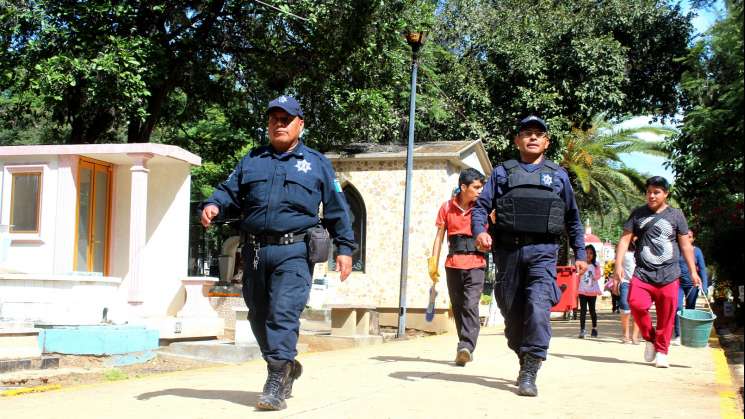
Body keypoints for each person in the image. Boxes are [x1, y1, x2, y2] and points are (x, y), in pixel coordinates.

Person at [200, 95, 356, 411]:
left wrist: (346, 248)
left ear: (301, 124)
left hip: (295, 251)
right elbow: (228, 190)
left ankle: (275, 380)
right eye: (274, 119)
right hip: (255, 251)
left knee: (282, 312)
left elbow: (338, 208)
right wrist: (213, 204)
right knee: (258, 314)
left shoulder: (317, 163)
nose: (279, 124)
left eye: (287, 119)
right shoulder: (252, 160)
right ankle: (285, 365)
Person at [472, 115, 587, 397]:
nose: (533, 137)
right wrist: (480, 231)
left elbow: (573, 217)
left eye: (539, 134)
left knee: (537, 307)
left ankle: (530, 369)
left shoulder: (558, 175)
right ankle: (524, 354)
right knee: (511, 315)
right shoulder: (501, 173)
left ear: (546, 142)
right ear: (517, 140)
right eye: (527, 133)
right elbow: (480, 207)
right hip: (508, 251)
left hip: (543, 253)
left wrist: (580, 252)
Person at [612, 176, 701, 368]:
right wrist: (617, 266)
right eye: (649, 192)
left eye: (656, 192)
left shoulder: (676, 215)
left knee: (666, 316)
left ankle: (662, 352)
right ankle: (650, 338)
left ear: (666, 194)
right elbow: (625, 240)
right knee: (635, 304)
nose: (651, 196)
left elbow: (685, 245)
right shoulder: (638, 214)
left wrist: (693, 271)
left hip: (669, 274)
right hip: (643, 273)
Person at [429, 168, 486, 366]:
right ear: (463, 187)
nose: (480, 191)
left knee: (471, 304)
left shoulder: (481, 209)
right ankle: (463, 346)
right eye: (476, 187)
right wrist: (433, 263)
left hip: (476, 263)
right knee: (459, 306)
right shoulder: (446, 207)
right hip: (453, 264)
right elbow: (439, 237)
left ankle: (467, 346)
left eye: (481, 187)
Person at [672, 230, 708, 345]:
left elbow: (702, 269)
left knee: (690, 309)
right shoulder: (676, 250)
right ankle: (678, 335)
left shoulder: (697, 251)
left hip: (693, 285)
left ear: (693, 239)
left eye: (690, 237)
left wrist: (705, 286)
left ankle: (688, 335)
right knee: (677, 308)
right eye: (685, 237)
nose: (687, 239)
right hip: (678, 284)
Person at [619, 239, 641, 344]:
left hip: (640, 282)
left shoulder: (643, 248)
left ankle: (635, 335)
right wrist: (615, 280)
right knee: (624, 306)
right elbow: (618, 265)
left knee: (637, 308)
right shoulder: (623, 249)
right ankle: (625, 334)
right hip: (625, 282)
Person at [577, 245, 601, 339]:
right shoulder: (581, 264)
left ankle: (594, 328)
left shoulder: (596, 265)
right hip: (582, 291)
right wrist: (583, 270)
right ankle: (582, 330)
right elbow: (578, 274)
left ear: (594, 255)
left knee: (592, 311)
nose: (588, 255)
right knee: (583, 310)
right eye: (586, 253)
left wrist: (593, 277)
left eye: (591, 253)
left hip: (592, 291)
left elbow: (599, 275)